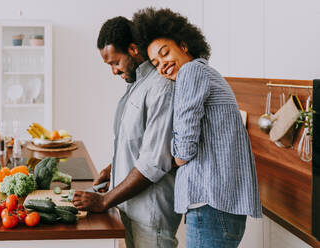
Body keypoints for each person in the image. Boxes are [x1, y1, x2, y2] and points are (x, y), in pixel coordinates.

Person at [132, 8, 262, 248]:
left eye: (165, 53)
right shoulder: (208, 73)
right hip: (223, 207)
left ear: (183, 45)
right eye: (156, 63)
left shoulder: (191, 72)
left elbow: (183, 152)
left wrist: (172, 153)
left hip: (209, 204)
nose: (163, 65)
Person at [72, 16, 182, 247]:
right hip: (129, 208)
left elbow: (154, 161)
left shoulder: (161, 88)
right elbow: (137, 144)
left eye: (115, 62)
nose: (113, 71)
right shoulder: (136, 86)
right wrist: (112, 171)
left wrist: (104, 201)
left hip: (150, 215)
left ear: (133, 49)